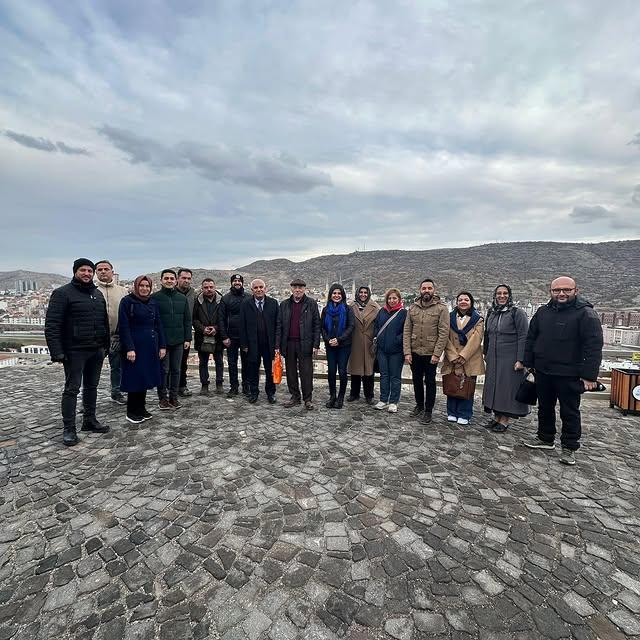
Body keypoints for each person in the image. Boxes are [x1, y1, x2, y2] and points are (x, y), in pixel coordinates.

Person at [523, 276, 603, 465]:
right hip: (543, 370)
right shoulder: (543, 312)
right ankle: (545, 437)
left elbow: (593, 346)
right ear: (550, 292)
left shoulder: (586, 314)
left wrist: (589, 376)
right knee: (545, 407)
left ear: (576, 290)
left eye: (566, 290)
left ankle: (569, 447)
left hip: (570, 373)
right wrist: (529, 362)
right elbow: (531, 338)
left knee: (570, 411)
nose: (561, 293)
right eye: (556, 290)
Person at [45, 258, 110, 446]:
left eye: (90, 271)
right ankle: (69, 429)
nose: (87, 274)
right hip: (75, 350)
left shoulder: (96, 294)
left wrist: (104, 346)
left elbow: (103, 321)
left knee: (92, 387)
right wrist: (57, 351)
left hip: (96, 349)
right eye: (83, 270)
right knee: (72, 389)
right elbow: (52, 324)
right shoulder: (62, 293)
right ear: (75, 272)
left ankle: (89, 420)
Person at [118, 276, 167, 423]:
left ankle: (141, 408)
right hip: (135, 346)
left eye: (147, 286)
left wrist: (162, 345)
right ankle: (132, 411)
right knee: (135, 379)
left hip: (150, 346)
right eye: (142, 286)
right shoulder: (127, 302)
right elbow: (124, 326)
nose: (144, 288)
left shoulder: (153, 302)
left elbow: (158, 324)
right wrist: (129, 348)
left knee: (145, 377)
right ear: (136, 286)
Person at [482, 284, 530, 432]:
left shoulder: (517, 313)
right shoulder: (492, 312)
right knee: (494, 386)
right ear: (495, 295)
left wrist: (521, 359)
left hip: (510, 358)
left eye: (505, 293)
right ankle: (496, 417)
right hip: (493, 356)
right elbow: (487, 335)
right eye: (498, 293)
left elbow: (524, 336)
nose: (501, 296)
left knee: (507, 388)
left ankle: (504, 420)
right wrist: (486, 353)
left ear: (509, 295)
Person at [403, 278, 449, 423]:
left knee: (430, 382)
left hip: (430, 353)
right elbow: (407, 330)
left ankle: (428, 411)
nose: (426, 291)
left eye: (429, 288)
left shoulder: (441, 308)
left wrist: (437, 353)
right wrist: (407, 352)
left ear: (434, 290)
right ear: (420, 290)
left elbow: (443, 332)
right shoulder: (413, 308)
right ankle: (419, 405)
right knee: (416, 380)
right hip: (415, 351)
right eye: (424, 288)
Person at [275, 278, 321, 410]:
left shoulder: (311, 304)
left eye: (300, 287)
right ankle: (295, 396)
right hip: (288, 343)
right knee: (290, 372)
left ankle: (308, 399)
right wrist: (277, 345)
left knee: (306, 372)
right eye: (295, 287)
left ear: (304, 289)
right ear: (291, 289)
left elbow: (317, 325)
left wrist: (316, 344)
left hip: (305, 343)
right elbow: (279, 326)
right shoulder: (284, 304)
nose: (298, 290)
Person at [441, 291, 485, 425]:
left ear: (471, 302)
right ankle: (452, 412)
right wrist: (453, 357)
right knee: (452, 383)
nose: (463, 302)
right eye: (460, 300)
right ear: (456, 302)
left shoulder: (478, 319)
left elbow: (476, 339)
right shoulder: (449, 317)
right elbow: (445, 338)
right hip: (452, 357)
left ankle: (465, 413)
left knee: (467, 386)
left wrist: (462, 357)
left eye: (466, 299)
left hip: (469, 359)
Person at [152, 269, 191, 410]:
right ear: (161, 280)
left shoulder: (182, 298)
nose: (169, 280)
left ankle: (173, 397)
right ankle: (162, 398)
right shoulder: (154, 298)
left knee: (176, 370)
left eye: (171, 278)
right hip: (162, 342)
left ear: (175, 281)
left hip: (179, 341)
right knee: (164, 370)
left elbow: (187, 320)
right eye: (166, 278)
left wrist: (188, 338)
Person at [240, 279, 279, 404]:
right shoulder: (245, 304)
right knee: (253, 370)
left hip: (269, 344)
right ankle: (254, 392)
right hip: (252, 344)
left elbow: (278, 325)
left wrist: (277, 345)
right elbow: (242, 326)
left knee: (270, 371)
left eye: (261, 287)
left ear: (265, 288)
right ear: (252, 290)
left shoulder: (273, 303)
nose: (259, 289)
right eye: (256, 287)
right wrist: (244, 344)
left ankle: (271, 393)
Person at [95, 260, 128, 405]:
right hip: (96, 338)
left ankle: (116, 392)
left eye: (106, 269)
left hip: (117, 336)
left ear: (112, 272)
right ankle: (87, 399)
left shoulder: (122, 291)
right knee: (92, 369)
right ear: (96, 273)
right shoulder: (91, 290)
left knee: (117, 367)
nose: (103, 272)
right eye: (100, 269)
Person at [321, 284, 355, 409]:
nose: (336, 295)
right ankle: (332, 396)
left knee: (342, 371)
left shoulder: (347, 309)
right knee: (331, 372)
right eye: (334, 293)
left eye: (339, 293)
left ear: (343, 295)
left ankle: (340, 397)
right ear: (330, 295)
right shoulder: (326, 310)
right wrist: (328, 339)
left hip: (344, 346)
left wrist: (339, 340)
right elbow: (322, 327)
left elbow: (351, 326)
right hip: (330, 345)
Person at [373, 289, 407, 413]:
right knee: (384, 375)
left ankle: (393, 402)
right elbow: (376, 326)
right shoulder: (381, 312)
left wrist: (396, 340)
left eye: (394, 298)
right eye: (390, 298)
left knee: (395, 376)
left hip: (396, 351)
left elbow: (406, 330)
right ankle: (383, 399)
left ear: (399, 299)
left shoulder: (403, 313)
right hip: (382, 350)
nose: (392, 301)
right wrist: (378, 337)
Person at [219, 274, 251, 398]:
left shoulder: (249, 297)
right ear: (231, 283)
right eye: (235, 281)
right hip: (230, 336)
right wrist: (224, 336)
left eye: (239, 281)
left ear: (242, 283)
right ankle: (234, 387)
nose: (237, 283)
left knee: (246, 363)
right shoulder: (225, 299)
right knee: (232, 363)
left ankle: (246, 386)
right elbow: (221, 319)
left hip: (245, 337)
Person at [347, 286, 379, 405]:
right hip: (355, 341)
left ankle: (369, 395)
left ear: (369, 294)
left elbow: (378, 324)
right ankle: (354, 394)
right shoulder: (351, 306)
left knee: (368, 371)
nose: (363, 294)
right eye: (361, 292)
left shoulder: (375, 307)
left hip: (369, 342)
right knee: (355, 369)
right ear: (357, 293)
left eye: (365, 292)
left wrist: (375, 337)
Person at [192, 278, 224, 395]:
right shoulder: (197, 301)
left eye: (211, 287)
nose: (209, 289)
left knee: (219, 361)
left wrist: (216, 328)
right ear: (202, 288)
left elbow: (225, 318)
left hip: (218, 336)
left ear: (215, 287)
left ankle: (219, 383)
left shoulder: (222, 301)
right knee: (203, 362)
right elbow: (194, 319)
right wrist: (202, 329)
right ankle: (204, 385)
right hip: (202, 336)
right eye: (206, 287)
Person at [176, 268, 196, 397]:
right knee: (169, 364)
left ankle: (182, 385)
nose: (186, 281)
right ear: (178, 278)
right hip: (171, 333)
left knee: (183, 362)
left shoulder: (193, 294)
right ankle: (169, 386)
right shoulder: (171, 292)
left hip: (186, 334)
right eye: (183, 278)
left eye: (188, 278)